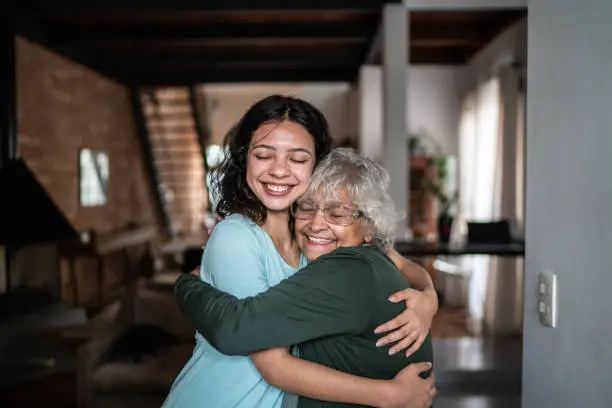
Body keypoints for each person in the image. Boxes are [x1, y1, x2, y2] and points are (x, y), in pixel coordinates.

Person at [162, 95, 438, 408]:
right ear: (245, 159)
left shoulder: (312, 236)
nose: (279, 171)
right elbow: (272, 364)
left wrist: (429, 297)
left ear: (316, 165)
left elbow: (400, 263)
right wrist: (388, 395)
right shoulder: (237, 236)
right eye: (264, 155)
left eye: (297, 158)